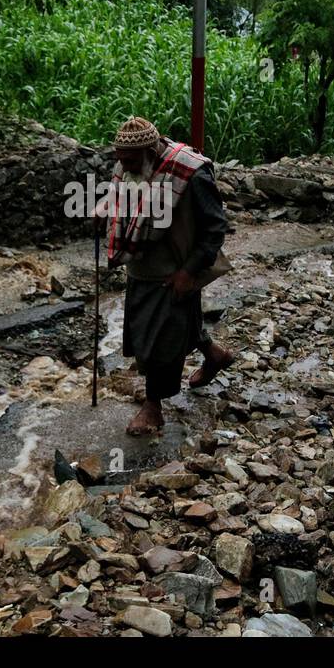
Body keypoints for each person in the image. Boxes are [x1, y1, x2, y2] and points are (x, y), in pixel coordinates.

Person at [97, 116, 233, 436]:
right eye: (120, 159)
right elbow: (123, 194)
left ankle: (153, 407)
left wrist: (188, 273)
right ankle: (215, 355)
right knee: (170, 326)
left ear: (150, 152)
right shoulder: (132, 164)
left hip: (174, 271)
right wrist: (104, 209)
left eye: (129, 160)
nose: (122, 166)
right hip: (141, 268)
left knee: (159, 339)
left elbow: (215, 229)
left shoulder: (191, 173)